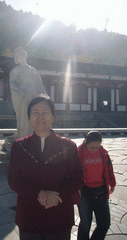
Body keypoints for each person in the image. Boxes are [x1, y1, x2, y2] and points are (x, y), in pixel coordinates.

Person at [8, 94, 84, 240]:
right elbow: (13, 180)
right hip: (29, 216)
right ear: (29, 118)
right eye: (35, 113)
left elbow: (78, 178)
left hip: (59, 214)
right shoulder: (19, 146)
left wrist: (56, 195)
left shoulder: (68, 146)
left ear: (53, 117)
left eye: (45, 112)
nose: (40, 116)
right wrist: (40, 193)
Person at [77, 131, 116, 240]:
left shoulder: (103, 152)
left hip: (100, 190)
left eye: (96, 147)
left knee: (104, 224)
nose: (94, 149)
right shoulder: (78, 153)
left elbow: (109, 168)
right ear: (85, 142)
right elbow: (72, 172)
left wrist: (112, 182)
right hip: (84, 192)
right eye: (91, 147)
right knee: (85, 224)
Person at [6, 47, 47, 146]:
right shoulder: (16, 70)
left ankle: (35, 136)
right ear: (17, 59)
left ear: (26, 56)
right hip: (23, 97)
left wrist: (45, 96)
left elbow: (39, 84)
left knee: (35, 116)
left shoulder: (33, 69)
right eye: (19, 56)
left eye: (22, 56)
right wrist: (21, 91)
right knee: (24, 117)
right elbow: (12, 84)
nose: (21, 58)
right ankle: (24, 136)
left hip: (34, 96)